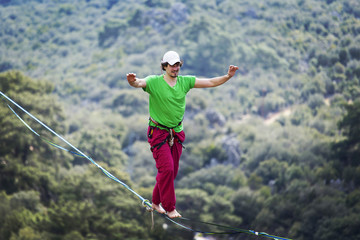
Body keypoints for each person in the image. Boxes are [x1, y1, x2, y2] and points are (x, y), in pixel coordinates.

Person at [127, 51, 239, 218]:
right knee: (167, 169)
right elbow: (139, 83)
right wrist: (132, 81)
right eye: (172, 65)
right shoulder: (154, 82)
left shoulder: (185, 81)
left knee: (172, 171)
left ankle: (155, 202)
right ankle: (170, 207)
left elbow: (209, 82)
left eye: (177, 64)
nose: (175, 68)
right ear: (164, 66)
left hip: (176, 133)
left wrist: (228, 76)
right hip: (158, 132)